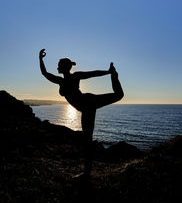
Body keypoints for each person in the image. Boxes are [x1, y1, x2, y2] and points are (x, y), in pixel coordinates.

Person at [39, 49, 124, 177]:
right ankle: (86, 173)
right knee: (87, 140)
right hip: (86, 107)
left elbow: (92, 74)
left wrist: (107, 72)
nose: (57, 67)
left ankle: (114, 74)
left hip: (88, 102)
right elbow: (44, 73)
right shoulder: (60, 81)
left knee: (119, 95)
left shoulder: (75, 76)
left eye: (58, 65)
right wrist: (40, 59)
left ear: (64, 67)